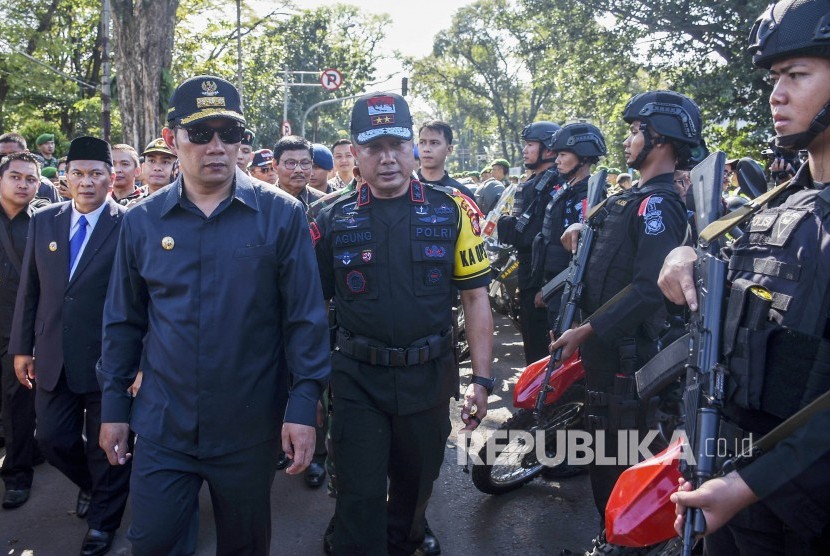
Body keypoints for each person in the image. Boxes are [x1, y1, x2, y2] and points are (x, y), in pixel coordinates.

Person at [96, 75, 330, 555]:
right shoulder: (141, 222)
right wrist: (114, 407)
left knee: (245, 546)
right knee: (153, 544)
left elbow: (304, 319)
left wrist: (304, 406)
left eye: (230, 133)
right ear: (172, 139)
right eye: (201, 133)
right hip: (163, 426)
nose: (217, 146)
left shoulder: (281, 215)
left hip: (248, 427)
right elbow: (123, 321)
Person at [665, 1, 830, 553]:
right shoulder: (777, 202)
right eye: (775, 78)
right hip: (729, 480)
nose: (776, 95)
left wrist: (747, 485)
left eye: (798, 75)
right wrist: (687, 255)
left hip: (799, 510)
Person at [313, 92, 493, 555]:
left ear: (413, 145)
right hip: (356, 380)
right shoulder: (329, 216)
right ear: (355, 152)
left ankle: (407, 534)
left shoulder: (452, 209)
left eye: (398, 144)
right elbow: (310, 308)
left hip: (428, 378)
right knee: (360, 492)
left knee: (417, 485)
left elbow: (475, 298)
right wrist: (306, 388)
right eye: (374, 147)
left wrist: (483, 381)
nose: (388, 158)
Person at [552, 90, 704, 525]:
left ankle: (616, 542)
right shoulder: (631, 198)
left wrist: (585, 331)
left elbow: (647, 289)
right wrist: (584, 228)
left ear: (662, 139)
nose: (627, 141)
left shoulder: (659, 203)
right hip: (604, 352)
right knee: (602, 459)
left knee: (618, 466)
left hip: (627, 360)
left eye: (636, 131)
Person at [9, 136, 131, 556]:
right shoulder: (45, 221)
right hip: (53, 354)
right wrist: (21, 347)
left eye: (96, 173)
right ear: (63, 177)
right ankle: (94, 488)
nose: (86, 181)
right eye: (77, 173)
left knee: (108, 446)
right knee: (54, 440)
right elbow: (30, 289)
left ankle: (103, 522)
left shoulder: (130, 224)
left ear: (111, 178)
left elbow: (144, 297)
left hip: (109, 359)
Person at [0, 152, 49, 510]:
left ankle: (17, 476)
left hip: (21, 333)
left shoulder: (44, 223)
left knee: (19, 404)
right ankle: (28, 451)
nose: (23, 184)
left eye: (30, 179)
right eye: (15, 177)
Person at [497, 120, 562, 364]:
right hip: (532, 273)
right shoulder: (537, 181)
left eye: (530, 144)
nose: (525, 150)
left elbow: (531, 235)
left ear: (548, 150)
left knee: (539, 353)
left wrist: (504, 224)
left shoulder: (548, 184)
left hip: (539, 278)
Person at [531, 122, 605, 329]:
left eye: (563, 155)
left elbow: (580, 254)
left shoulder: (588, 196)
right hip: (552, 283)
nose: (557, 160)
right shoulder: (565, 188)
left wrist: (551, 290)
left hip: (567, 289)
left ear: (584, 157)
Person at [274, 135, 325, 211]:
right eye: (290, 163)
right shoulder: (261, 201)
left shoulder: (325, 204)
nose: (298, 170)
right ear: (275, 165)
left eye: (304, 163)